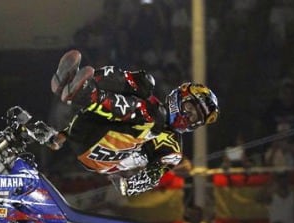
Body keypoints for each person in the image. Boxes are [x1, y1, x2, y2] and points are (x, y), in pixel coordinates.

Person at [48, 49, 219, 196]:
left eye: (195, 117)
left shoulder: (173, 149)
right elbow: (111, 118)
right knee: (144, 81)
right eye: (191, 107)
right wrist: (64, 134)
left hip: (102, 157)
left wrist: (128, 186)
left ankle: (87, 94)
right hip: (88, 131)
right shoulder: (151, 103)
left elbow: (153, 176)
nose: (189, 115)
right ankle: (77, 84)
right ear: (180, 97)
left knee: (154, 116)